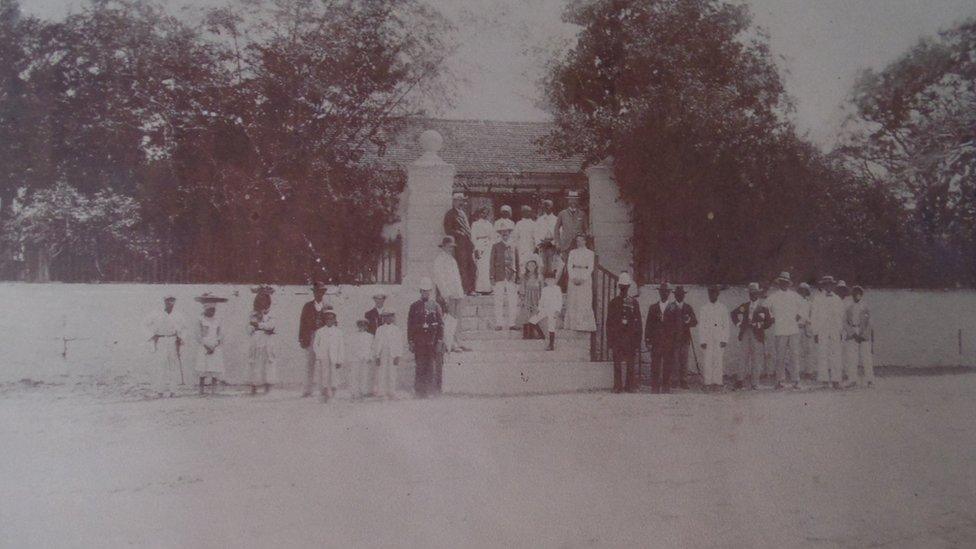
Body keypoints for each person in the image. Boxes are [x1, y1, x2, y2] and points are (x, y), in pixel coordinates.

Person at [765, 271, 805, 390]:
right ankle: (779, 381)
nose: (784, 284)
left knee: (794, 355)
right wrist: (771, 317)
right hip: (780, 330)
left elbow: (804, 306)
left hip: (793, 329)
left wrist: (799, 315)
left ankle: (796, 381)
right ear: (779, 283)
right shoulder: (773, 296)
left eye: (786, 282)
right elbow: (765, 307)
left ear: (789, 284)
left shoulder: (794, 296)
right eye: (782, 282)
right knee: (780, 356)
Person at [731, 283, 773, 390]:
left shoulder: (763, 308)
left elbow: (770, 321)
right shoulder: (744, 306)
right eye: (751, 293)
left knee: (756, 359)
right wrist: (739, 324)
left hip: (757, 335)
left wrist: (760, 325)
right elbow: (733, 314)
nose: (752, 295)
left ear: (758, 294)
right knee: (743, 357)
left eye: (755, 293)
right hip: (745, 332)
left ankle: (755, 383)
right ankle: (740, 381)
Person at [606, 272, 643, 392]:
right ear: (619, 287)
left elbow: (638, 323)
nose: (623, 289)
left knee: (631, 363)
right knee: (617, 362)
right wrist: (610, 340)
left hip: (630, 338)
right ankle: (617, 385)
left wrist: (637, 340)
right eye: (622, 286)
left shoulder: (633, 302)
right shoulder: (613, 302)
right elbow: (609, 323)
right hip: (617, 337)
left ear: (628, 287)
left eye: (626, 287)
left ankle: (629, 385)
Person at [408, 277, 444, 398]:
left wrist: (439, 341)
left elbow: (441, 325)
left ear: (430, 291)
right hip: (419, 342)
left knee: (431, 366)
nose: (425, 293)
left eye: (427, 291)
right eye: (423, 291)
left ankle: (430, 391)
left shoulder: (435, 306)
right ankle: (419, 391)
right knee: (420, 366)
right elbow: (410, 325)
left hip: (431, 341)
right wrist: (411, 341)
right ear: (420, 291)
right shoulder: (414, 306)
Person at [144, 295, 186, 398]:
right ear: (164, 302)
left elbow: (184, 328)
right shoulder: (156, 314)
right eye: (168, 301)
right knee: (160, 365)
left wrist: (181, 338)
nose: (170, 303)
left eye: (172, 301)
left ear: (174, 302)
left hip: (173, 340)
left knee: (173, 366)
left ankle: (173, 391)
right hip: (161, 340)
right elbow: (145, 324)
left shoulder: (178, 315)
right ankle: (159, 391)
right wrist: (152, 335)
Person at [433, 235, 468, 352]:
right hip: (448, 295)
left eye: (452, 247)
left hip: (457, 293)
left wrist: (460, 293)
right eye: (448, 246)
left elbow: (456, 278)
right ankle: (450, 343)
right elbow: (439, 279)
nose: (451, 249)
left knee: (457, 319)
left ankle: (458, 341)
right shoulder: (439, 260)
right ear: (443, 246)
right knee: (449, 320)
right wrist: (446, 294)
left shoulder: (452, 259)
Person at [645, 283, 681, 393]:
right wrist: (648, 339)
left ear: (669, 293)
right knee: (655, 364)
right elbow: (648, 325)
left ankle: (666, 386)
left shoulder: (674, 308)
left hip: (669, 341)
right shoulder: (653, 307)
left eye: (666, 291)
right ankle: (655, 386)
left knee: (667, 364)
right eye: (662, 291)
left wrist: (676, 341)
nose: (664, 293)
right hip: (656, 341)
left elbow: (678, 326)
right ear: (659, 292)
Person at [811, 275, 845, 389]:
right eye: (826, 284)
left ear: (833, 285)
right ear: (823, 286)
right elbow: (814, 316)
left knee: (836, 354)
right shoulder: (817, 299)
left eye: (830, 284)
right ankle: (824, 380)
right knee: (822, 354)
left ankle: (836, 380)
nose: (828, 286)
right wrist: (815, 332)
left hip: (835, 330)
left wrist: (840, 331)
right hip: (822, 330)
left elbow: (841, 316)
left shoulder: (837, 299)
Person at [298, 281, 331, 398]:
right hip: (311, 336)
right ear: (314, 293)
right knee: (309, 363)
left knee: (323, 362)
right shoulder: (307, 306)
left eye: (321, 292)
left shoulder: (327, 306)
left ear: (323, 293)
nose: (319, 294)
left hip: (323, 336)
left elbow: (332, 323)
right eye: (317, 292)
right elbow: (302, 323)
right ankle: (307, 390)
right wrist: (302, 339)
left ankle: (324, 389)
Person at [698, 285, 730, 392]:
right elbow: (701, 325)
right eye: (710, 293)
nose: (712, 295)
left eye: (714, 293)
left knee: (718, 360)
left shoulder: (723, 308)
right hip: (707, 338)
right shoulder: (704, 308)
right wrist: (702, 340)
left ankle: (717, 382)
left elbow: (726, 325)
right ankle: (707, 383)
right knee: (707, 360)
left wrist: (725, 339)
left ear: (718, 294)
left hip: (719, 338)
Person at [193, 293, 228, 395]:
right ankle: (201, 390)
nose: (212, 312)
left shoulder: (218, 319)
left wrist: (215, 344)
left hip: (215, 346)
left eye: (214, 310)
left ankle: (213, 390)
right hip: (204, 346)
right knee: (202, 369)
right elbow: (198, 335)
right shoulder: (200, 319)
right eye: (210, 310)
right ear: (205, 309)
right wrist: (206, 346)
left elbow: (221, 334)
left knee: (215, 368)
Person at [246, 285, 277, 395]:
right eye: (260, 298)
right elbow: (249, 329)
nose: (263, 301)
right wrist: (256, 326)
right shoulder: (253, 313)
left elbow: (271, 326)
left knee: (268, 362)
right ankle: (254, 387)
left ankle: (267, 387)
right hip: (256, 340)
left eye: (265, 298)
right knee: (255, 362)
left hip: (267, 341)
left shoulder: (271, 313)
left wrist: (258, 325)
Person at [443, 192, 476, 295]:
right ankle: (464, 289)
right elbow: (448, 230)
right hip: (459, 244)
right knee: (462, 266)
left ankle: (471, 289)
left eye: (462, 200)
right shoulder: (450, 214)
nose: (461, 202)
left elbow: (467, 229)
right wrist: (460, 234)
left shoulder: (463, 213)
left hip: (468, 244)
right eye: (459, 200)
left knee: (472, 265)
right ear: (454, 201)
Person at [490, 219, 520, 331]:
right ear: (500, 234)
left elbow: (517, 261)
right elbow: (491, 262)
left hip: (511, 276)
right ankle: (499, 323)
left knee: (513, 300)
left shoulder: (514, 246)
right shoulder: (496, 246)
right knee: (498, 300)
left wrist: (518, 277)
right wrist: (491, 276)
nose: (504, 234)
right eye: (502, 232)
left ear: (509, 233)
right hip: (499, 276)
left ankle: (512, 323)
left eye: (506, 232)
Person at [564, 234, 596, 332]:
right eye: (577, 241)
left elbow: (591, 267)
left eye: (581, 240)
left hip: (585, 276)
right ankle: (573, 324)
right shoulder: (572, 252)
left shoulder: (590, 253)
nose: (579, 243)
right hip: (574, 275)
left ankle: (583, 324)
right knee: (574, 299)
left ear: (585, 241)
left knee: (584, 299)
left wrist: (583, 278)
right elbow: (569, 265)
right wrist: (573, 277)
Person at [553, 191, 588, 283]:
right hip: (565, 245)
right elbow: (556, 229)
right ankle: (564, 286)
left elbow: (586, 229)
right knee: (566, 265)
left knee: (576, 264)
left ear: (578, 201)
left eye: (575, 200)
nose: (573, 201)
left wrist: (583, 239)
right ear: (568, 201)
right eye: (571, 199)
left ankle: (575, 284)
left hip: (578, 245)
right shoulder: (562, 214)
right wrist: (558, 242)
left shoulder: (582, 214)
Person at [844, 285, 874, 387]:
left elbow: (869, 323)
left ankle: (870, 380)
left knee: (866, 357)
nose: (856, 295)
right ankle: (852, 379)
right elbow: (845, 322)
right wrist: (852, 334)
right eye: (854, 293)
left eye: (858, 293)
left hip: (863, 333)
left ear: (861, 295)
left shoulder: (866, 307)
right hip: (853, 332)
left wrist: (863, 335)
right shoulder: (848, 307)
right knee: (852, 357)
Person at [313, 310, 344, 402]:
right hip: (323, 357)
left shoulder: (338, 332)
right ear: (324, 320)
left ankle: (333, 395)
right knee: (324, 375)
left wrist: (340, 360)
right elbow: (315, 345)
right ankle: (325, 395)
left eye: (331, 318)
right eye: (327, 319)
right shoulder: (320, 331)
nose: (329, 320)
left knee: (334, 376)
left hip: (334, 357)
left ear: (334, 320)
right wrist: (319, 355)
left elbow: (341, 346)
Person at [673, 286, 698, 389]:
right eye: (678, 294)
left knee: (684, 360)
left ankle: (684, 380)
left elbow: (695, 322)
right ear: (675, 295)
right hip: (674, 339)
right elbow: (667, 322)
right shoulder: (671, 307)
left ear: (684, 295)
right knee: (675, 360)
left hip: (685, 338)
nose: (680, 296)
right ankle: (674, 380)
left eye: (681, 294)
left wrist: (688, 321)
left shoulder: (688, 307)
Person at [373, 311, 402, 399]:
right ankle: (381, 391)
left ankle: (391, 391)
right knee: (382, 372)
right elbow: (376, 343)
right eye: (385, 317)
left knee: (392, 372)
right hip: (383, 352)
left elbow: (399, 343)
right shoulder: (380, 329)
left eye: (390, 317)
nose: (387, 319)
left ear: (393, 318)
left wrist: (398, 355)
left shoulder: (396, 329)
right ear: (383, 318)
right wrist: (377, 355)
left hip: (393, 352)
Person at [533, 271, 563, 350]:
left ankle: (551, 344)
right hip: (545, 309)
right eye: (548, 280)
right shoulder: (544, 289)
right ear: (545, 281)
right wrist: (539, 309)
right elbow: (541, 300)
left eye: (552, 280)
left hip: (553, 310)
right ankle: (541, 335)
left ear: (554, 280)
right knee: (533, 320)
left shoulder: (557, 288)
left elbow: (560, 300)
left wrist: (558, 310)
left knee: (551, 326)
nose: (550, 281)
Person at [346, 319, 374, 400]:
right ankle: (354, 393)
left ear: (367, 327)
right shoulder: (353, 336)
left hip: (365, 359)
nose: (362, 327)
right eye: (360, 325)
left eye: (364, 325)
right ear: (358, 326)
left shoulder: (370, 336)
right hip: (355, 358)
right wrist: (352, 356)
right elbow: (350, 347)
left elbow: (372, 348)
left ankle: (362, 392)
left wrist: (370, 356)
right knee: (354, 376)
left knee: (364, 376)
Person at [534, 199, 561, 278]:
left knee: (552, 267)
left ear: (552, 207)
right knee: (542, 267)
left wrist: (552, 243)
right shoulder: (540, 220)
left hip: (552, 246)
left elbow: (560, 233)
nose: (547, 208)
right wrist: (539, 243)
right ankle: (543, 286)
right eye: (545, 206)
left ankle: (551, 286)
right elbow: (536, 233)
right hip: (542, 245)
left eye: (548, 206)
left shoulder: (556, 219)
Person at [519, 254, 545, 339]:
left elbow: (542, 289)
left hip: (536, 298)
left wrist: (542, 300)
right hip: (527, 297)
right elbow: (522, 288)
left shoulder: (539, 277)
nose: (531, 267)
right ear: (527, 267)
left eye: (533, 265)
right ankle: (526, 334)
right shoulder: (524, 276)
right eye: (529, 265)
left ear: (536, 266)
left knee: (534, 315)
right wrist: (522, 299)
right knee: (526, 315)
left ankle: (539, 333)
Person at [471, 207, 495, 294]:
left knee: (487, 267)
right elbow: (473, 237)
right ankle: (479, 288)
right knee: (480, 267)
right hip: (479, 244)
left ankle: (487, 288)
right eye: (482, 213)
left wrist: (490, 245)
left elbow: (492, 236)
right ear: (480, 213)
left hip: (488, 245)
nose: (484, 215)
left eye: (486, 213)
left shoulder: (489, 224)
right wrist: (476, 248)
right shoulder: (475, 224)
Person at [797, 282, 817, 377]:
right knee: (798, 350)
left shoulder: (810, 303)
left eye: (805, 290)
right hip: (798, 327)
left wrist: (810, 323)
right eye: (801, 290)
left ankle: (809, 371)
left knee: (809, 350)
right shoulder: (795, 301)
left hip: (807, 328)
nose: (803, 292)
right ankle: (799, 371)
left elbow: (812, 315)